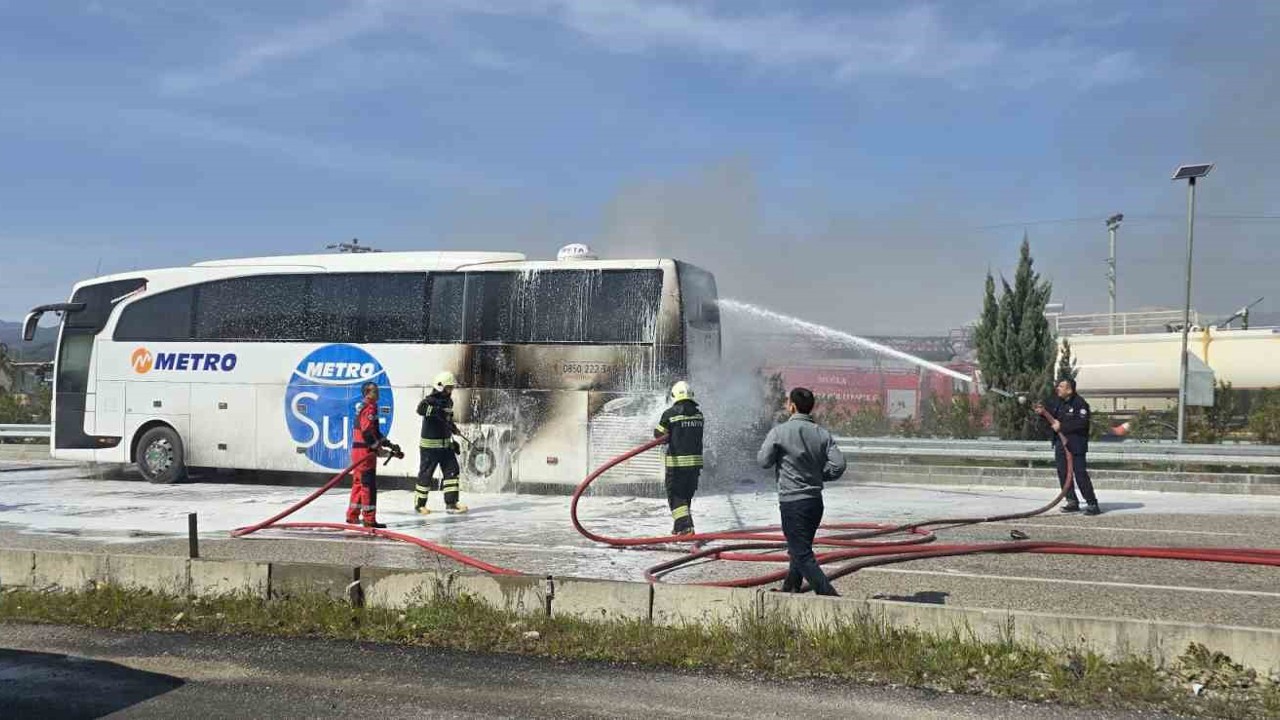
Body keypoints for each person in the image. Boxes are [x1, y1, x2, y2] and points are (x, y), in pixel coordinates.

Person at [757, 387, 846, 596]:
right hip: (815, 502)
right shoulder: (822, 433)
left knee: (802, 553)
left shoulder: (779, 432)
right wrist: (819, 475)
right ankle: (790, 588)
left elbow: (763, 461)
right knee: (799, 548)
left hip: (792, 502)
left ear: (792, 406)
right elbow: (839, 465)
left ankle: (830, 597)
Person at [1036, 378, 1101, 516]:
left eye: (1061, 386)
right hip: (1061, 444)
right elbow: (1050, 418)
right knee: (1063, 473)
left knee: (1080, 474)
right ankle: (1072, 501)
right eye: (1058, 386)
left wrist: (1063, 426)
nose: (1057, 388)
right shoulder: (1058, 403)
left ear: (1069, 389)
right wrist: (1042, 413)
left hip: (1076, 445)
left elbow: (1081, 424)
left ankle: (1092, 503)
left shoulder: (1080, 404)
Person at [347, 381, 401, 529]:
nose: (377, 393)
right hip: (365, 453)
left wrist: (388, 444)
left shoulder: (365, 407)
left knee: (358, 483)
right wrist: (377, 448)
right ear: (367, 393)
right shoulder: (370, 408)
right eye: (374, 391)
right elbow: (367, 432)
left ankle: (352, 515)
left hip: (358, 451)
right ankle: (369, 519)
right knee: (368, 486)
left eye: (377, 390)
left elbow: (375, 432)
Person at [654, 381, 705, 536]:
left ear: (674, 396)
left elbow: (658, 435)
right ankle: (679, 527)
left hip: (677, 465)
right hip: (695, 465)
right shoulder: (699, 415)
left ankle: (686, 527)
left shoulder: (669, 414)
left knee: (676, 496)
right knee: (686, 495)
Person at [415, 371, 467, 515]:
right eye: (448, 387)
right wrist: (437, 411)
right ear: (440, 387)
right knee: (426, 475)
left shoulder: (449, 402)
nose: (450, 390)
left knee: (452, 471)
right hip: (430, 447)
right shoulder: (429, 400)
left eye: (451, 388)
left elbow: (447, 420)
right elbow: (420, 410)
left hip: (445, 445)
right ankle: (419, 505)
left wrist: (454, 430)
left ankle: (451, 503)